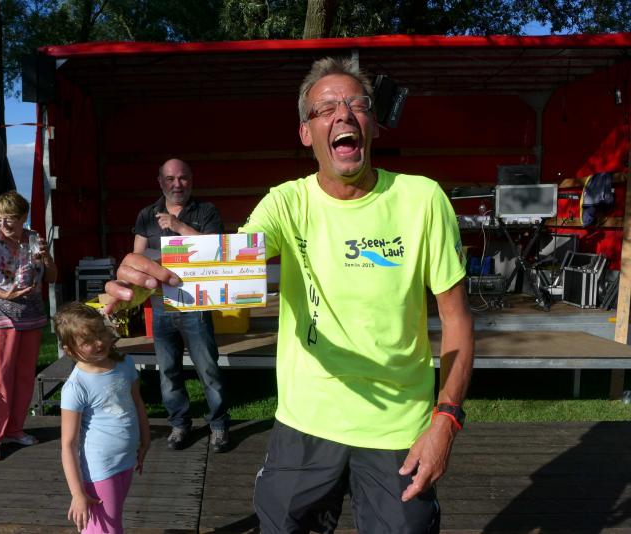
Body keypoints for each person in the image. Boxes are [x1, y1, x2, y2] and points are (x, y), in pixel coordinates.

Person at [106, 57, 474, 533]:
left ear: (373, 124)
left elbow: (457, 319)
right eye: (326, 108)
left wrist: (446, 419)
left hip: (398, 429)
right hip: (305, 425)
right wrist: (145, 281)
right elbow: (226, 265)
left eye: (357, 104)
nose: (344, 114)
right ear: (306, 133)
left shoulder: (422, 199)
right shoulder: (286, 202)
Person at [132, 158, 231, 453]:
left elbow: (216, 251)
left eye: (183, 178)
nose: (178, 184)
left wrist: (178, 226)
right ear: (160, 182)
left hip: (196, 304)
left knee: (208, 369)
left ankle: (218, 425)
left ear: (191, 180)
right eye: (171, 179)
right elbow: (137, 257)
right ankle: (179, 424)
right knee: (168, 372)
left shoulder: (206, 211)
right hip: (161, 305)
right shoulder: (146, 215)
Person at [0, 190, 58, 462]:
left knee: (24, 376)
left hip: (32, 316)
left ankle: (15, 429)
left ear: (23, 217)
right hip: (1, 317)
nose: (3, 223)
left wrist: (46, 258)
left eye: (9, 218)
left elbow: (53, 277)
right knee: (1, 378)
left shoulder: (33, 239)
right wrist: (4, 295)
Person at [54, 302, 151, 534]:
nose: (98, 342)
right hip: (100, 468)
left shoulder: (125, 363)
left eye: (100, 333)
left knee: (106, 525)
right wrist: (78, 494)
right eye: (87, 341)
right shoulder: (76, 387)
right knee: (107, 529)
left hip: (126, 460)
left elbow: (137, 403)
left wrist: (145, 441)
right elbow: (68, 444)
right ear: (70, 350)